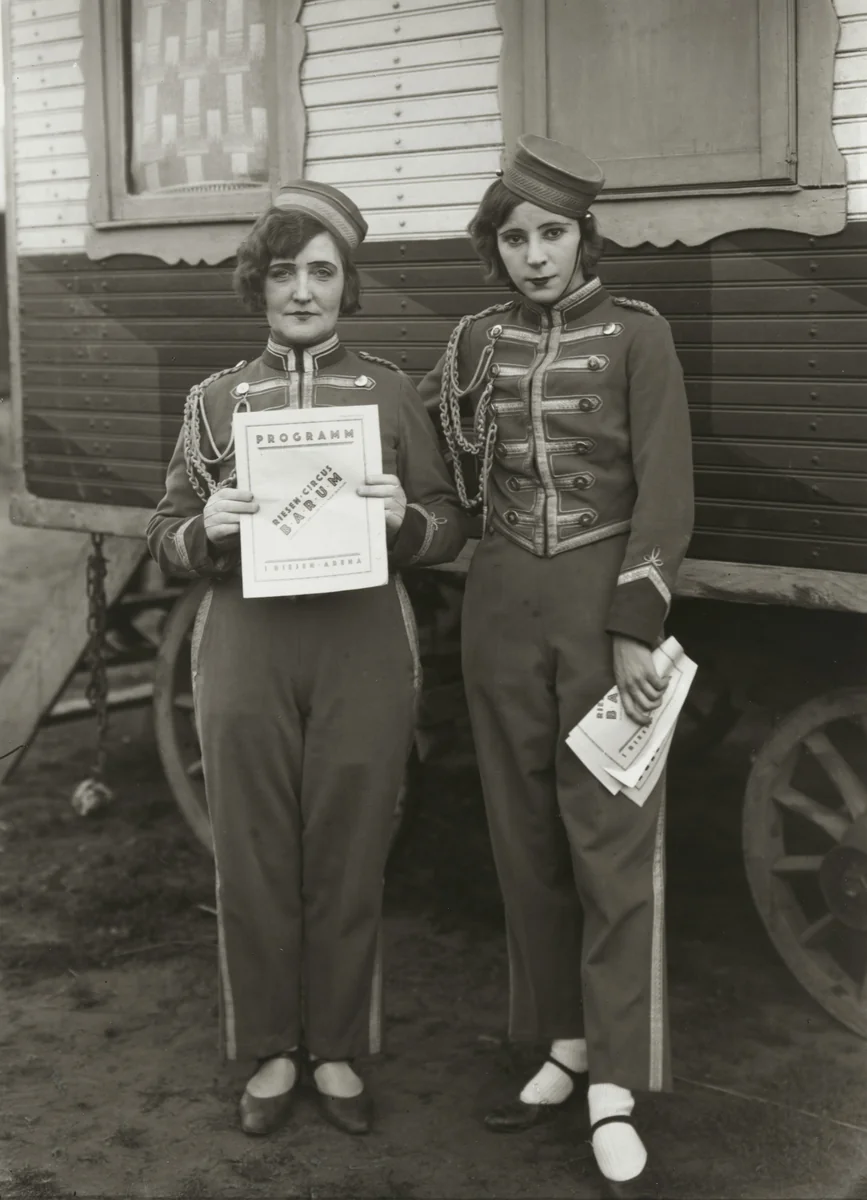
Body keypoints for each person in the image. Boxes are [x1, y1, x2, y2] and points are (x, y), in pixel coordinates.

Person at [147, 181, 466, 1139]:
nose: (301, 291)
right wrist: (202, 525)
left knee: (350, 846)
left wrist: (400, 519)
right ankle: (270, 1049)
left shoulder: (388, 390)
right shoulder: (213, 401)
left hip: (362, 638)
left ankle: (333, 1048)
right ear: (259, 281)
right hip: (245, 639)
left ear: (346, 283)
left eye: (321, 272)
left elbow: (450, 521)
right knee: (250, 856)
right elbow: (162, 530)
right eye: (283, 270)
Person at [418, 135, 694, 1197]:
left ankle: (618, 1082)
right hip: (497, 606)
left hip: (599, 609)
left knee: (610, 848)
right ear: (496, 247)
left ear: (584, 237)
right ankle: (561, 1043)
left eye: (551, 235)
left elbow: (667, 490)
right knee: (522, 836)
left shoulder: (640, 337)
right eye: (515, 238)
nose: (533, 256)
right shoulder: (473, 341)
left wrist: (636, 616)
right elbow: (445, 470)